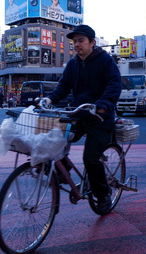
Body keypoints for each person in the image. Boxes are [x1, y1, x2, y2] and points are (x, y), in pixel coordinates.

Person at [43, 24, 121, 214]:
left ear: (92, 43)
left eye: (81, 41)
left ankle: (103, 195)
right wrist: (50, 98)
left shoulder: (105, 61)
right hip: (78, 115)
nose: (76, 45)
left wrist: (102, 105)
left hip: (100, 118)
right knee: (52, 143)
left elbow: (114, 85)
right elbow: (64, 86)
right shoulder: (73, 64)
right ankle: (63, 174)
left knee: (90, 158)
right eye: (74, 42)